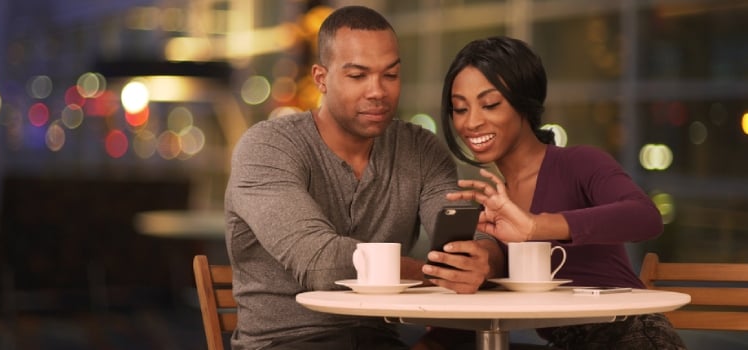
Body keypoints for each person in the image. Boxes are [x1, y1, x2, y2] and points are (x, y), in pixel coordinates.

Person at [223, 6, 505, 350]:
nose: (378, 91)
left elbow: (464, 233)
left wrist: (484, 257)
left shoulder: (419, 149)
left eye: (390, 75)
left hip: (381, 340)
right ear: (321, 78)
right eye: (358, 76)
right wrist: (435, 274)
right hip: (286, 342)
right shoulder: (267, 147)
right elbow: (322, 266)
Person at [431, 36, 687, 349]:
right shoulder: (493, 208)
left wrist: (536, 226)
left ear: (524, 102)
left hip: (629, 336)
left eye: (490, 104)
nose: (471, 122)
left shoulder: (578, 163)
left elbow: (645, 217)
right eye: (459, 108)